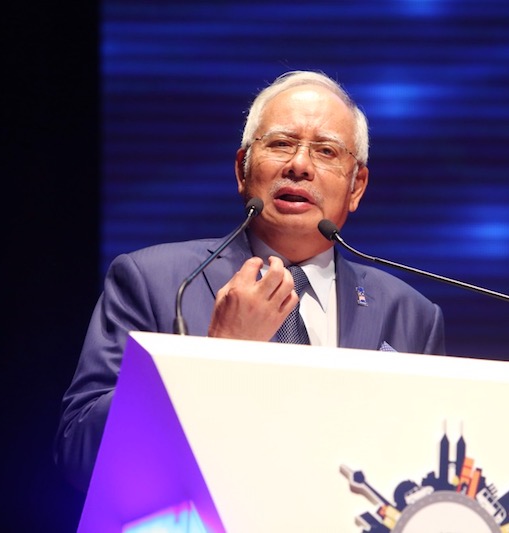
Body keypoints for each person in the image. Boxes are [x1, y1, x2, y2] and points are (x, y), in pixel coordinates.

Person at [54, 70, 446, 491]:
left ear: (357, 186)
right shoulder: (155, 281)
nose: (299, 165)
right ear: (243, 170)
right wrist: (215, 358)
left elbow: (421, 473)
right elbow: (78, 452)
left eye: (326, 151)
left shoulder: (410, 315)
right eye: (280, 144)